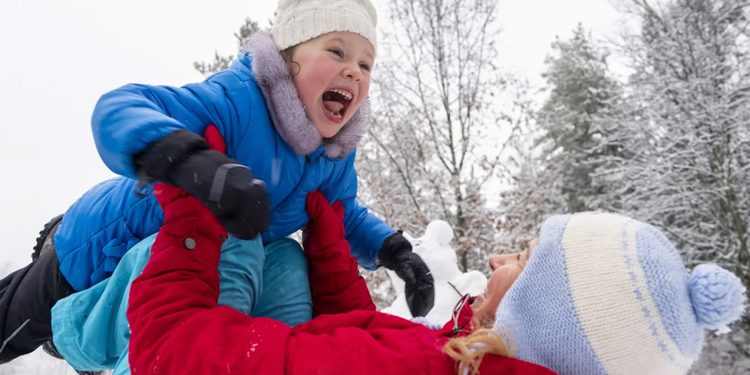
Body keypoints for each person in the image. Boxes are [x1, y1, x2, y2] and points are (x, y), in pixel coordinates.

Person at [0, 0, 435, 364]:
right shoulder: (237, 103)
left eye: (365, 63)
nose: (355, 71)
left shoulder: (331, 156)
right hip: (99, 246)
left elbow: (344, 214)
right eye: (337, 52)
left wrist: (393, 251)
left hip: (181, 267)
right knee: (13, 326)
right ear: (288, 57)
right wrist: (188, 157)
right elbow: (120, 107)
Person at [126, 183, 746, 374]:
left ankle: (60, 324)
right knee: (280, 264)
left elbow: (171, 350)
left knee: (216, 258)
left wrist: (191, 217)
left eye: (526, 259)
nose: (500, 258)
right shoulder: (462, 360)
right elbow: (355, 340)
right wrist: (332, 249)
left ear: (553, 315)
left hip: (158, 340)